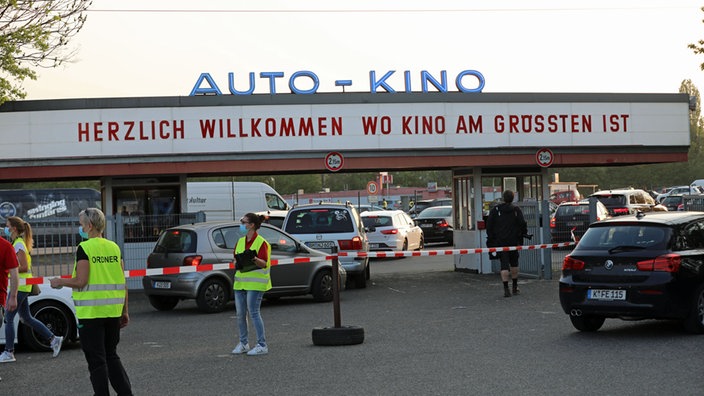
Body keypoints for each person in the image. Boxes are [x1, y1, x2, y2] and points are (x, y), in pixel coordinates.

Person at [50, 208, 133, 395]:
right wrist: (125, 311)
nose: (80, 228)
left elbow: (81, 281)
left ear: (89, 226)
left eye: (81, 224)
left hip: (91, 314)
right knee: (111, 356)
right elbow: (122, 282)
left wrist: (59, 282)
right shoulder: (114, 247)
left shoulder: (84, 248)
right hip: (112, 312)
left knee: (97, 361)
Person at [0, 217, 63, 363]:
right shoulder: (17, 243)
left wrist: (8, 270)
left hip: (21, 286)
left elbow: (23, 267)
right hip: (22, 285)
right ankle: (54, 339)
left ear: (14, 228)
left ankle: (9, 352)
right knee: (26, 318)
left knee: (8, 319)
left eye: (8, 226)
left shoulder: (18, 244)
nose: (6, 228)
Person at [231, 212, 272, 356]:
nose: (241, 224)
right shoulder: (240, 241)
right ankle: (244, 343)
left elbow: (264, 263)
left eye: (243, 222)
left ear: (251, 225)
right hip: (240, 283)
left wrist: (253, 259)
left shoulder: (262, 243)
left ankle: (262, 344)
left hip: (255, 284)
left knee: (254, 313)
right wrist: (237, 262)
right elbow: (235, 259)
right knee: (240, 314)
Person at [486, 190, 527, 298]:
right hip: (513, 242)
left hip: (500, 242)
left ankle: (506, 289)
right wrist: (522, 234)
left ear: (503, 198)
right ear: (513, 198)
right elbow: (522, 224)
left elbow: (489, 226)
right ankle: (514, 286)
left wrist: (492, 239)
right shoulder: (516, 210)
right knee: (514, 263)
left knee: (504, 265)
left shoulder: (496, 210)